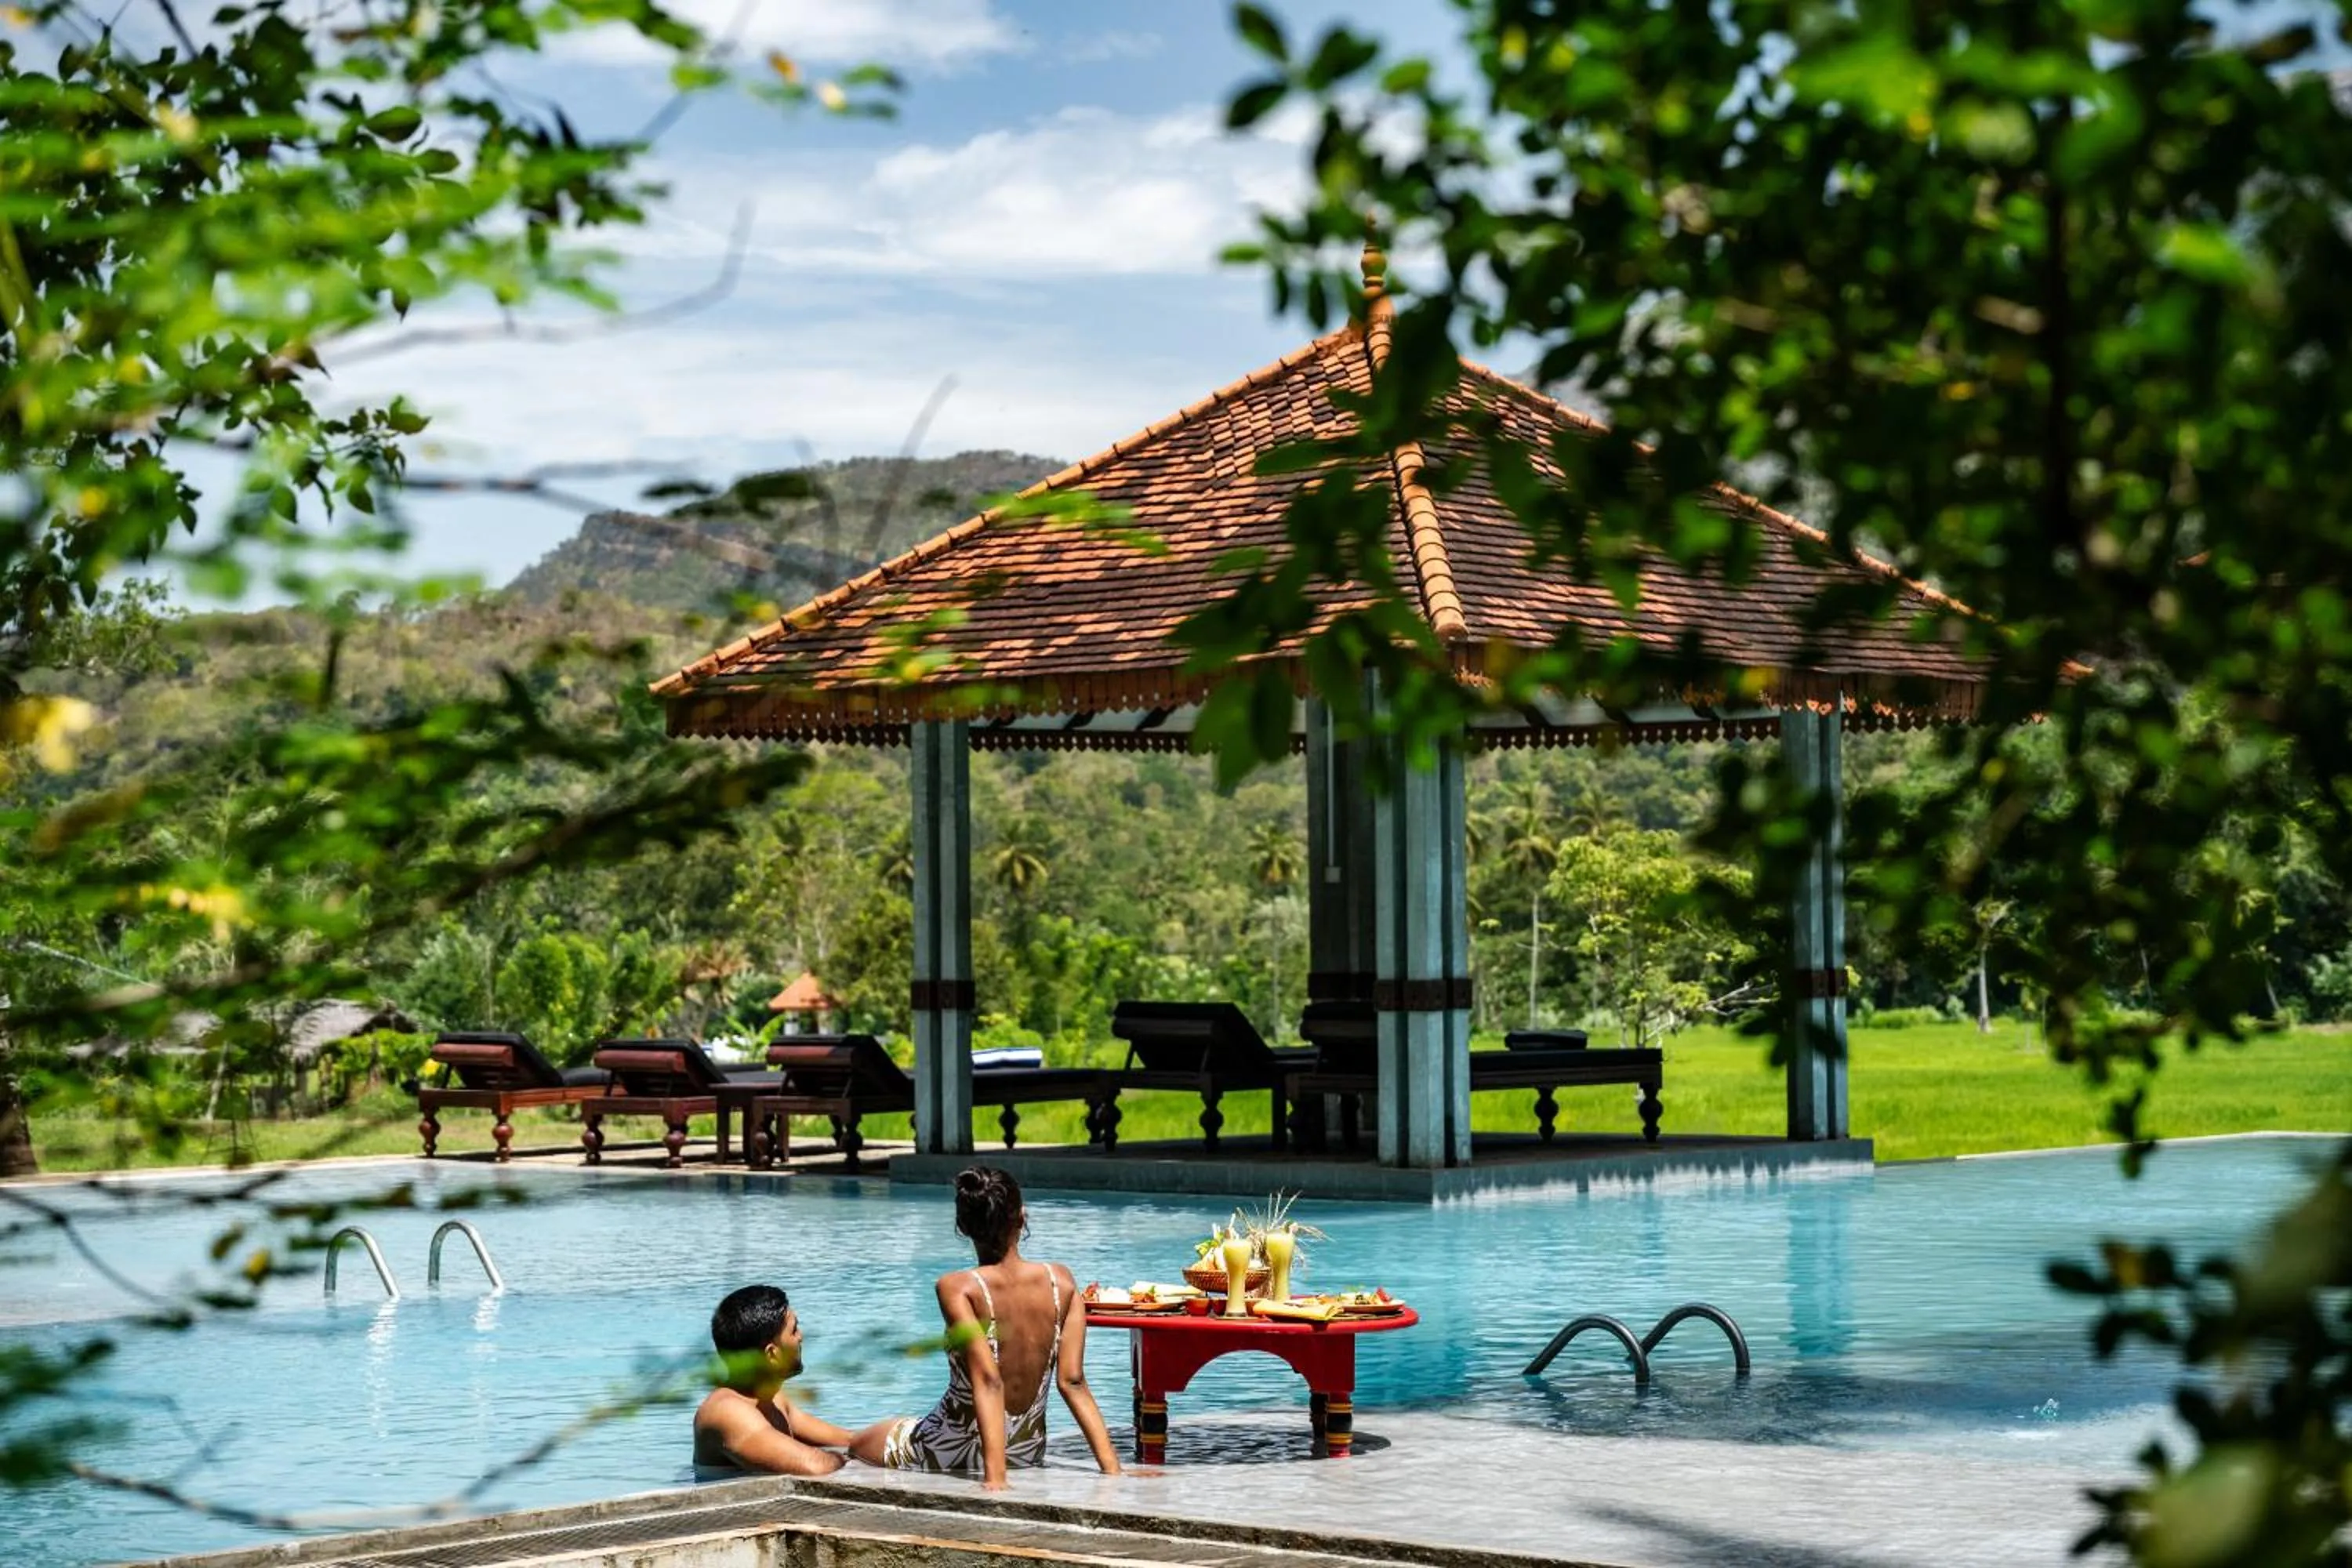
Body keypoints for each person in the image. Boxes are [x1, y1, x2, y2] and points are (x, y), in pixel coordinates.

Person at [851, 1165, 1123, 1489]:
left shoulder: (958, 1288)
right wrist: (1113, 1470)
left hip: (948, 1448)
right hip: (1024, 1451)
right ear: (1021, 1218)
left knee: (856, 1445)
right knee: (883, 1430)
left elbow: (989, 1380)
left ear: (963, 1226)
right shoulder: (1061, 1282)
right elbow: (1073, 1381)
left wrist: (996, 1481)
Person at [693, 1283, 859, 1475]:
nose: (801, 1337)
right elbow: (814, 1466)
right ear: (772, 1355)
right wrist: (844, 1460)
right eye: (794, 1330)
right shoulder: (726, 1410)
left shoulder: (774, 1399)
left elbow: (849, 1440)